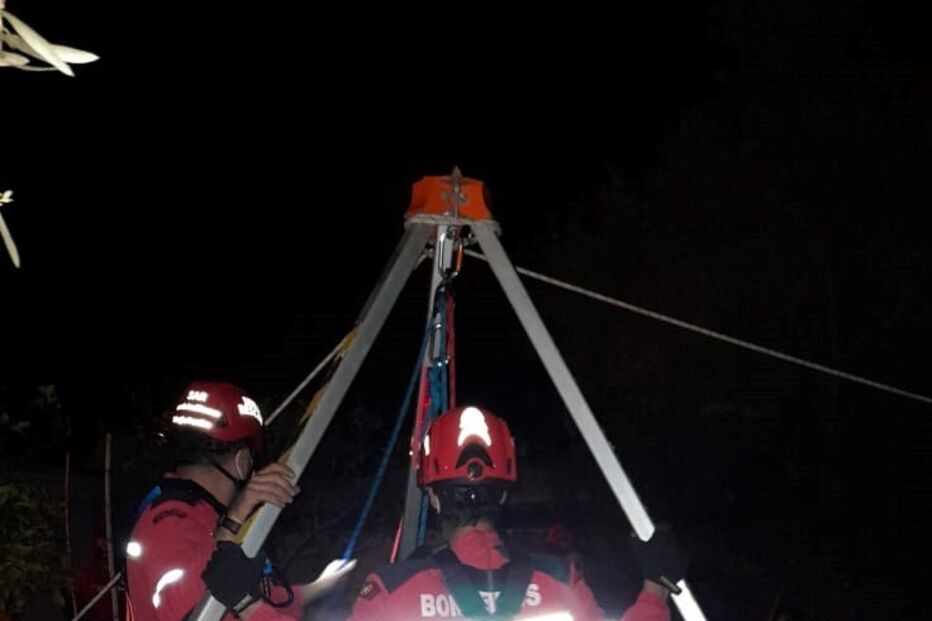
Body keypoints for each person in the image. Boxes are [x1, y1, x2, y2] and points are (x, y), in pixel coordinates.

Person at [349, 405, 685, 621]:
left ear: (434, 497)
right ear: (505, 492)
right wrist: (655, 592)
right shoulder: (559, 581)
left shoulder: (391, 590)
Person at [125, 381, 354, 620]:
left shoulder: (202, 518)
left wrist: (315, 589)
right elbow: (199, 610)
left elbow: (255, 592)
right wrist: (233, 521)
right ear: (243, 462)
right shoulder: (170, 520)